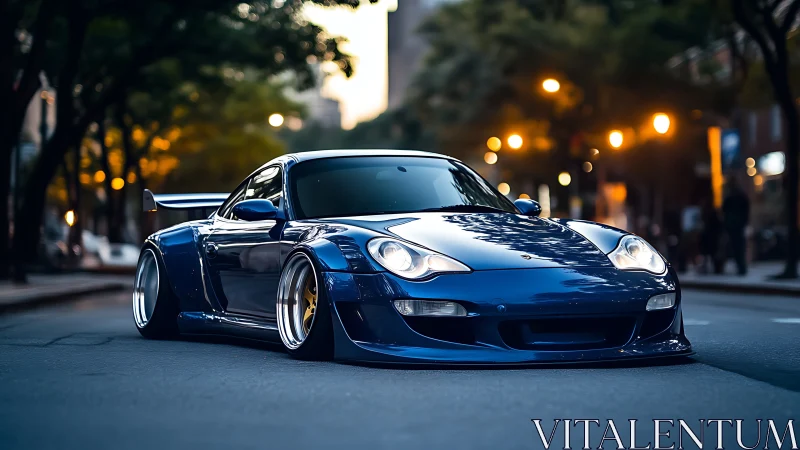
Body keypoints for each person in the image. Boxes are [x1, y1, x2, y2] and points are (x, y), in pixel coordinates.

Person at [722, 177, 750, 275]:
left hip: (734, 225)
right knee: (739, 246)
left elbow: (724, 210)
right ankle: (741, 266)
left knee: (737, 247)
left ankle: (741, 266)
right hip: (737, 225)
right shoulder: (739, 196)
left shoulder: (730, 197)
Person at [698, 198, 723, 274]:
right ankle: (714, 269)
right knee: (710, 254)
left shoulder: (708, 214)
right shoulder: (707, 213)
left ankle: (715, 269)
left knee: (711, 254)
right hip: (709, 237)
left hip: (710, 236)